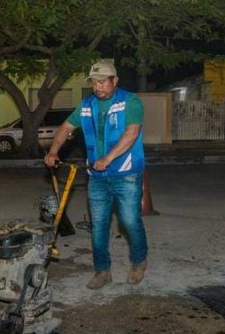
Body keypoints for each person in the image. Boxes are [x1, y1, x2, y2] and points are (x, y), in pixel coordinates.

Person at [44, 60, 148, 290]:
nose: (98, 87)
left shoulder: (130, 102)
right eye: (94, 83)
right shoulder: (86, 105)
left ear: (115, 81)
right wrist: (53, 151)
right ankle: (103, 271)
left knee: (130, 221)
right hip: (97, 177)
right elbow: (64, 128)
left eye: (103, 82)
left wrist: (108, 159)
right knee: (99, 225)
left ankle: (139, 261)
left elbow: (131, 134)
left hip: (126, 173)